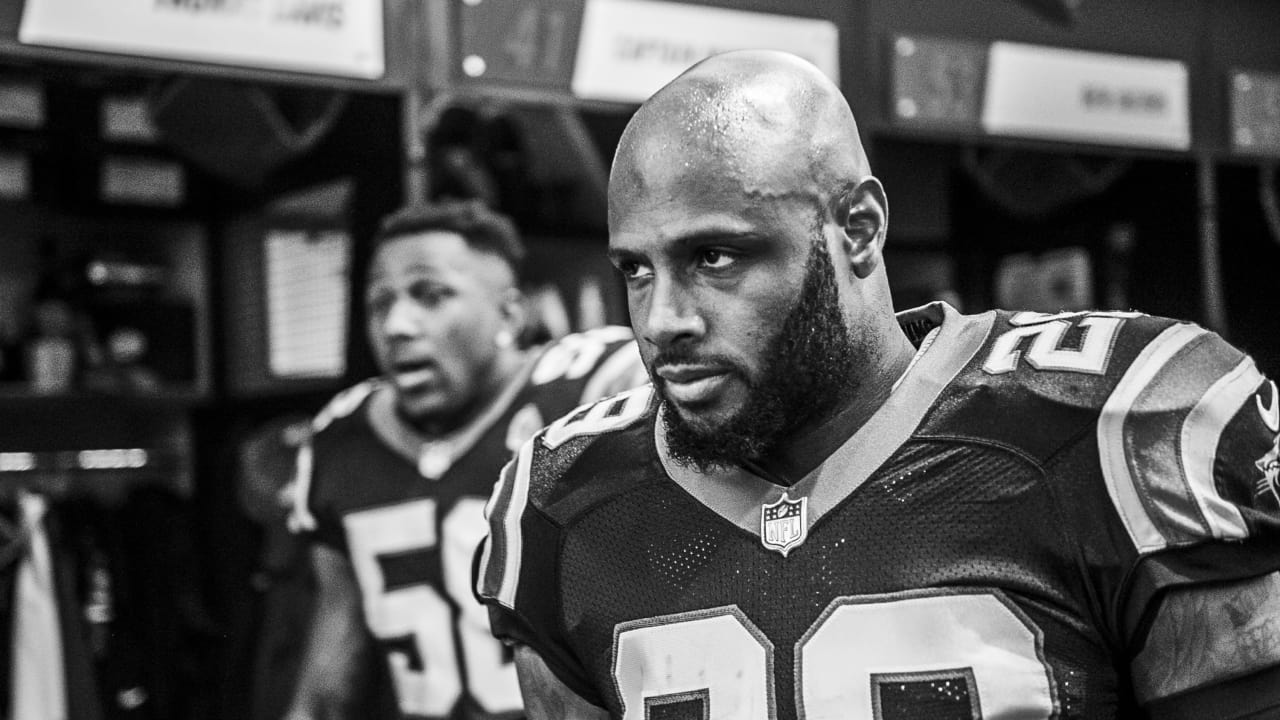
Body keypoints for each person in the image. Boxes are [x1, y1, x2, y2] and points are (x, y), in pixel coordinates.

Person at [474, 50, 1280, 719]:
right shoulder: (565, 499)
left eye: (714, 257)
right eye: (636, 270)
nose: (661, 320)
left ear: (857, 227)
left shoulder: (1113, 428)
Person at [284, 200, 646, 720]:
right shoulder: (343, 438)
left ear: (509, 313)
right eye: (379, 303)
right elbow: (328, 681)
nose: (397, 325)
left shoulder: (595, 390)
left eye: (431, 296)